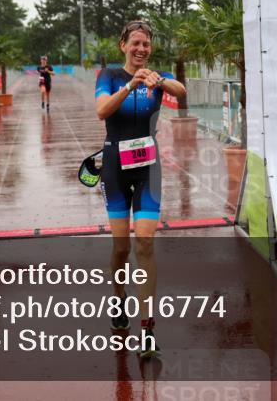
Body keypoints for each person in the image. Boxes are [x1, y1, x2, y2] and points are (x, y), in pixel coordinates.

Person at [95, 20, 186, 359]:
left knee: (144, 242)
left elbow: (181, 91)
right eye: (135, 43)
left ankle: (147, 329)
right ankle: (118, 301)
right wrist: (130, 85)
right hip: (115, 168)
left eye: (146, 44)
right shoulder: (108, 77)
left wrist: (160, 80)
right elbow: (101, 110)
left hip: (148, 166)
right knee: (121, 247)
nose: (141, 49)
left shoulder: (156, 77)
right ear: (123, 45)